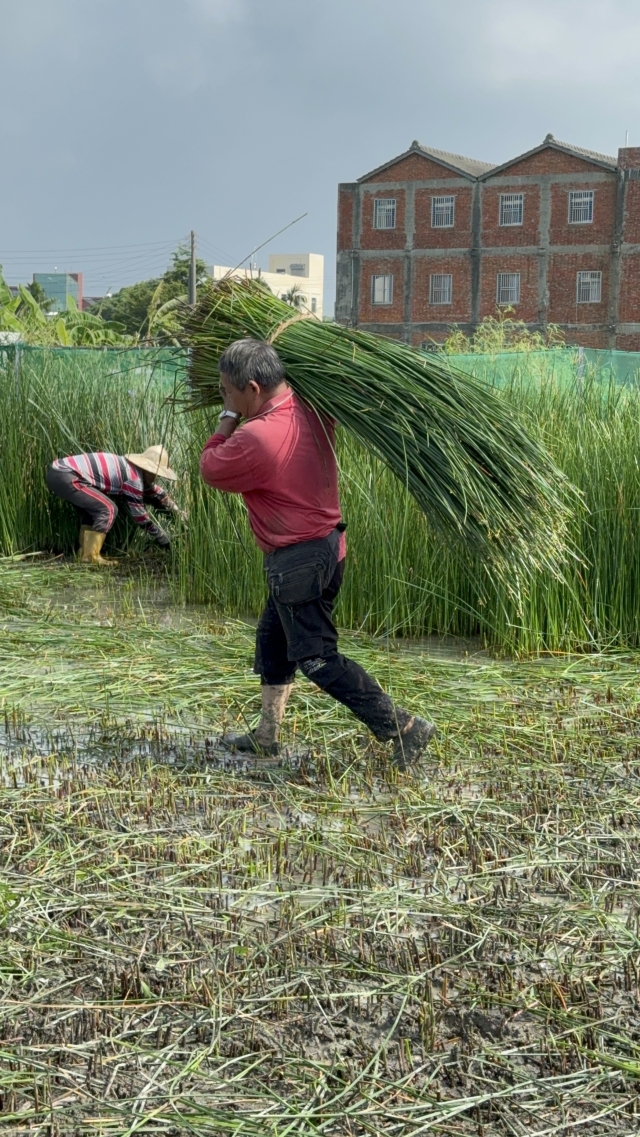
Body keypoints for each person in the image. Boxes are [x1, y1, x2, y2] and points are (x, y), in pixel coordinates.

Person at [199, 338, 436, 769]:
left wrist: (226, 419)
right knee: (273, 641)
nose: (225, 399)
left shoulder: (257, 437)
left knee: (317, 658)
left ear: (252, 388)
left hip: (299, 562)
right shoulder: (311, 404)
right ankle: (267, 736)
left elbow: (210, 467)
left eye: (226, 391)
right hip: (326, 547)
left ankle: (403, 727)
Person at [46, 445, 184, 564]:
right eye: (154, 473)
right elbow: (140, 517)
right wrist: (162, 537)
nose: (155, 477)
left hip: (58, 473)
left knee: (93, 510)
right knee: (108, 509)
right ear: (146, 468)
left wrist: (177, 511)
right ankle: (91, 556)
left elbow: (155, 491)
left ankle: (83, 551)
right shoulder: (133, 479)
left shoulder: (131, 468)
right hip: (66, 475)